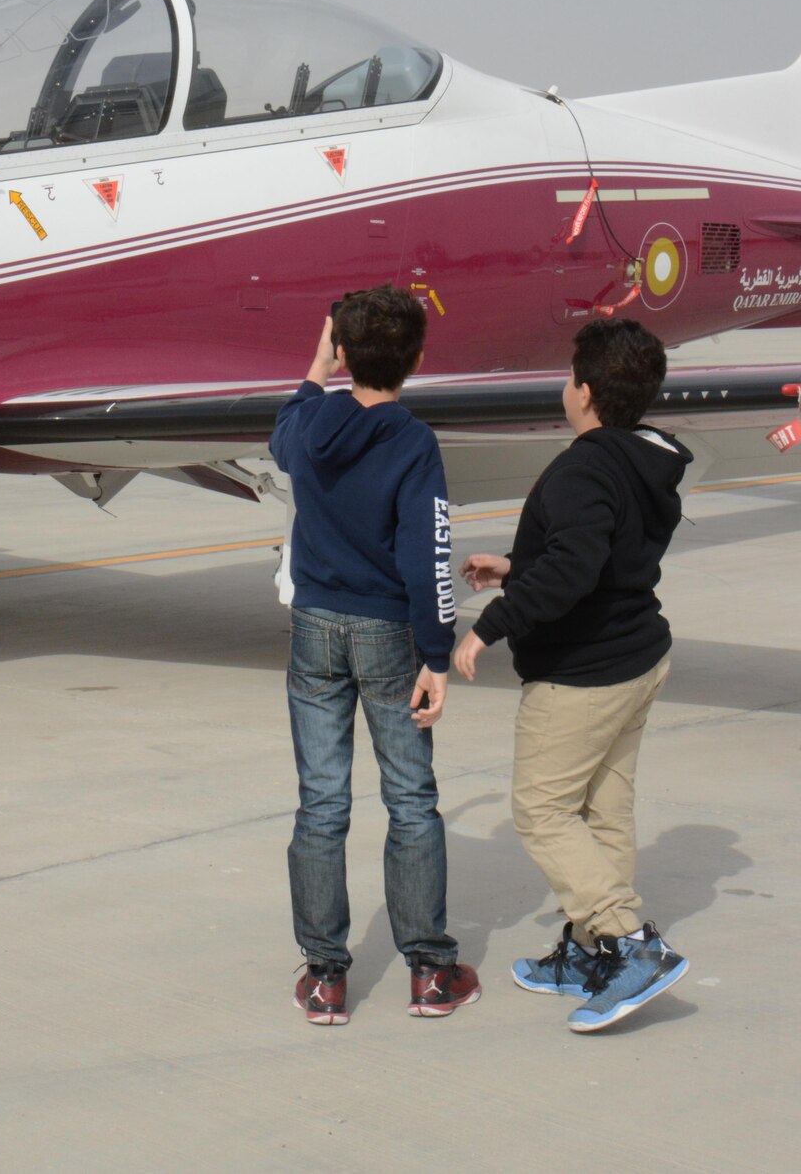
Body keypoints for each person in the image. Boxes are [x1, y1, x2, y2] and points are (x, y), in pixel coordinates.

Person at [451, 317, 693, 1033]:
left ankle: (627, 943)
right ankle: (590, 953)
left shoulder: (586, 465)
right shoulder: (643, 460)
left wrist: (491, 623)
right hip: (636, 658)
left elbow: (577, 565)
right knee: (603, 809)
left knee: (543, 810)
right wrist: (518, 565)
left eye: (568, 376)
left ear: (584, 392)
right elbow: (601, 556)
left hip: (583, 674)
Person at [271, 284, 477, 1026]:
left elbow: (283, 430)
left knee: (322, 802)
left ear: (343, 352)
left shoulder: (311, 422)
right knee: (410, 798)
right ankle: (427, 967)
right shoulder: (413, 442)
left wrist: (317, 364)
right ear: (417, 358)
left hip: (317, 628)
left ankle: (325, 973)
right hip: (388, 632)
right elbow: (429, 554)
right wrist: (437, 651)